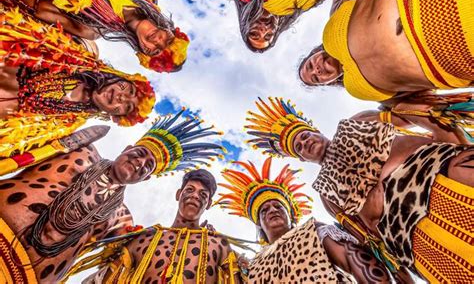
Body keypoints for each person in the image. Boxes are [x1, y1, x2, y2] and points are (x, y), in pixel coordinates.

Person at [244, 97, 474, 282]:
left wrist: (453, 142)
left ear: (314, 129)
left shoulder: (358, 120)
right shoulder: (326, 195)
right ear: (302, 159)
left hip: (437, 170)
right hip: (408, 235)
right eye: (299, 147)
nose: (305, 143)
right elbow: (366, 238)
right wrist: (401, 275)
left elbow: (409, 113)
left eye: (304, 136)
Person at [0, 109, 224, 283]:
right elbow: (20, 144)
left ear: (144, 179)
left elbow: (148, 255)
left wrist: (198, 239)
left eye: (147, 167)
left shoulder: (122, 218)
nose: (139, 163)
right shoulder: (81, 149)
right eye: (140, 154)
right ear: (126, 148)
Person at [299, 0, 472, 101]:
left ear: (314, 53)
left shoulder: (333, 18)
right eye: (316, 78)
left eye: (309, 65)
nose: (317, 69)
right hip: (458, 57)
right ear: (327, 82)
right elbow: (419, 103)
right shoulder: (364, 93)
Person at [217, 156, 394, 283]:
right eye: (264, 210)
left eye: (278, 206)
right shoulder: (254, 268)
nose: (272, 210)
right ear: (259, 224)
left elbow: (353, 257)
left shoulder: (313, 231)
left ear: (290, 214)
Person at [70, 168, 241, 284]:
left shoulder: (218, 245)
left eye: (203, 194)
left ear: (209, 203)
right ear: (178, 194)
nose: (195, 196)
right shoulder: (143, 239)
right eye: (189, 190)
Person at [0, 0, 189, 72]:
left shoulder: (91, 28)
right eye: (168, 41)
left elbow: (43, 9)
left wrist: (71, 0)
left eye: (156, 50)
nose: (158, 40)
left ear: (144, 51)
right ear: (171, 31)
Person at [0, 7, 156, 126]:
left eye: (127, 106)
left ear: (117, 116)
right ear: (123, 78)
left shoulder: (68, 123)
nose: (122, 97)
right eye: (130, 90)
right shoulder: (85, 51)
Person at [216, 0, 384, 52]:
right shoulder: (302, 3)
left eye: (254, 34)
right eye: (268, 36)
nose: (263, 30)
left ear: (245, 25)